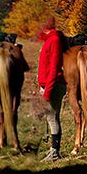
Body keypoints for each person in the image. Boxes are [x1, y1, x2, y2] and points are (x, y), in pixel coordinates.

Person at [35, 17, 66, 160]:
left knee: (52, 117)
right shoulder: (49, 40)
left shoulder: (54, 41)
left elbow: (54, 67)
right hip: (47, 84)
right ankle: (53, 150)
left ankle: (54, 152)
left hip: (52, 85)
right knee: (50, 117)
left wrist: (47, 90)